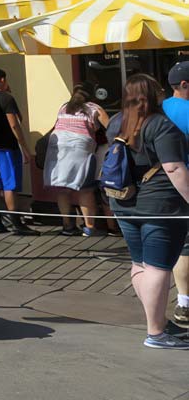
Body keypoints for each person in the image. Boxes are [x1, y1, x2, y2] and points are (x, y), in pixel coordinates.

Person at [104, 73, 189, 349]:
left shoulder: (116, 122)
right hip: (160, 207)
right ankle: (156, 332)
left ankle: (158, 323)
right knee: (158, 267)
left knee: (139, 264)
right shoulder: (161, 126)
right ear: (153, 95)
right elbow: (174, 168)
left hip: (123, 203)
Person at [43, 84, 108, 237]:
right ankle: (89, 227)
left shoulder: (64, 107)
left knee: (62, 188)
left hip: (56, 147)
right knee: (85, 189)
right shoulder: (94, 108)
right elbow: (112, 127)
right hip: (80, 148)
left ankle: (67, 226)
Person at [0, 68, 37, 235]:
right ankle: (16, 223)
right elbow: (15, 123)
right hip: (7, 148)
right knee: (9, 185)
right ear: (3, 80)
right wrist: (25, 148)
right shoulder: (6, 98)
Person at [162, 61, 189, 325]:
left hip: (162, 187)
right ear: (183, 85)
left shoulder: (160, 108)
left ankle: (183, 302)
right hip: (186, 183)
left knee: (181, 246)